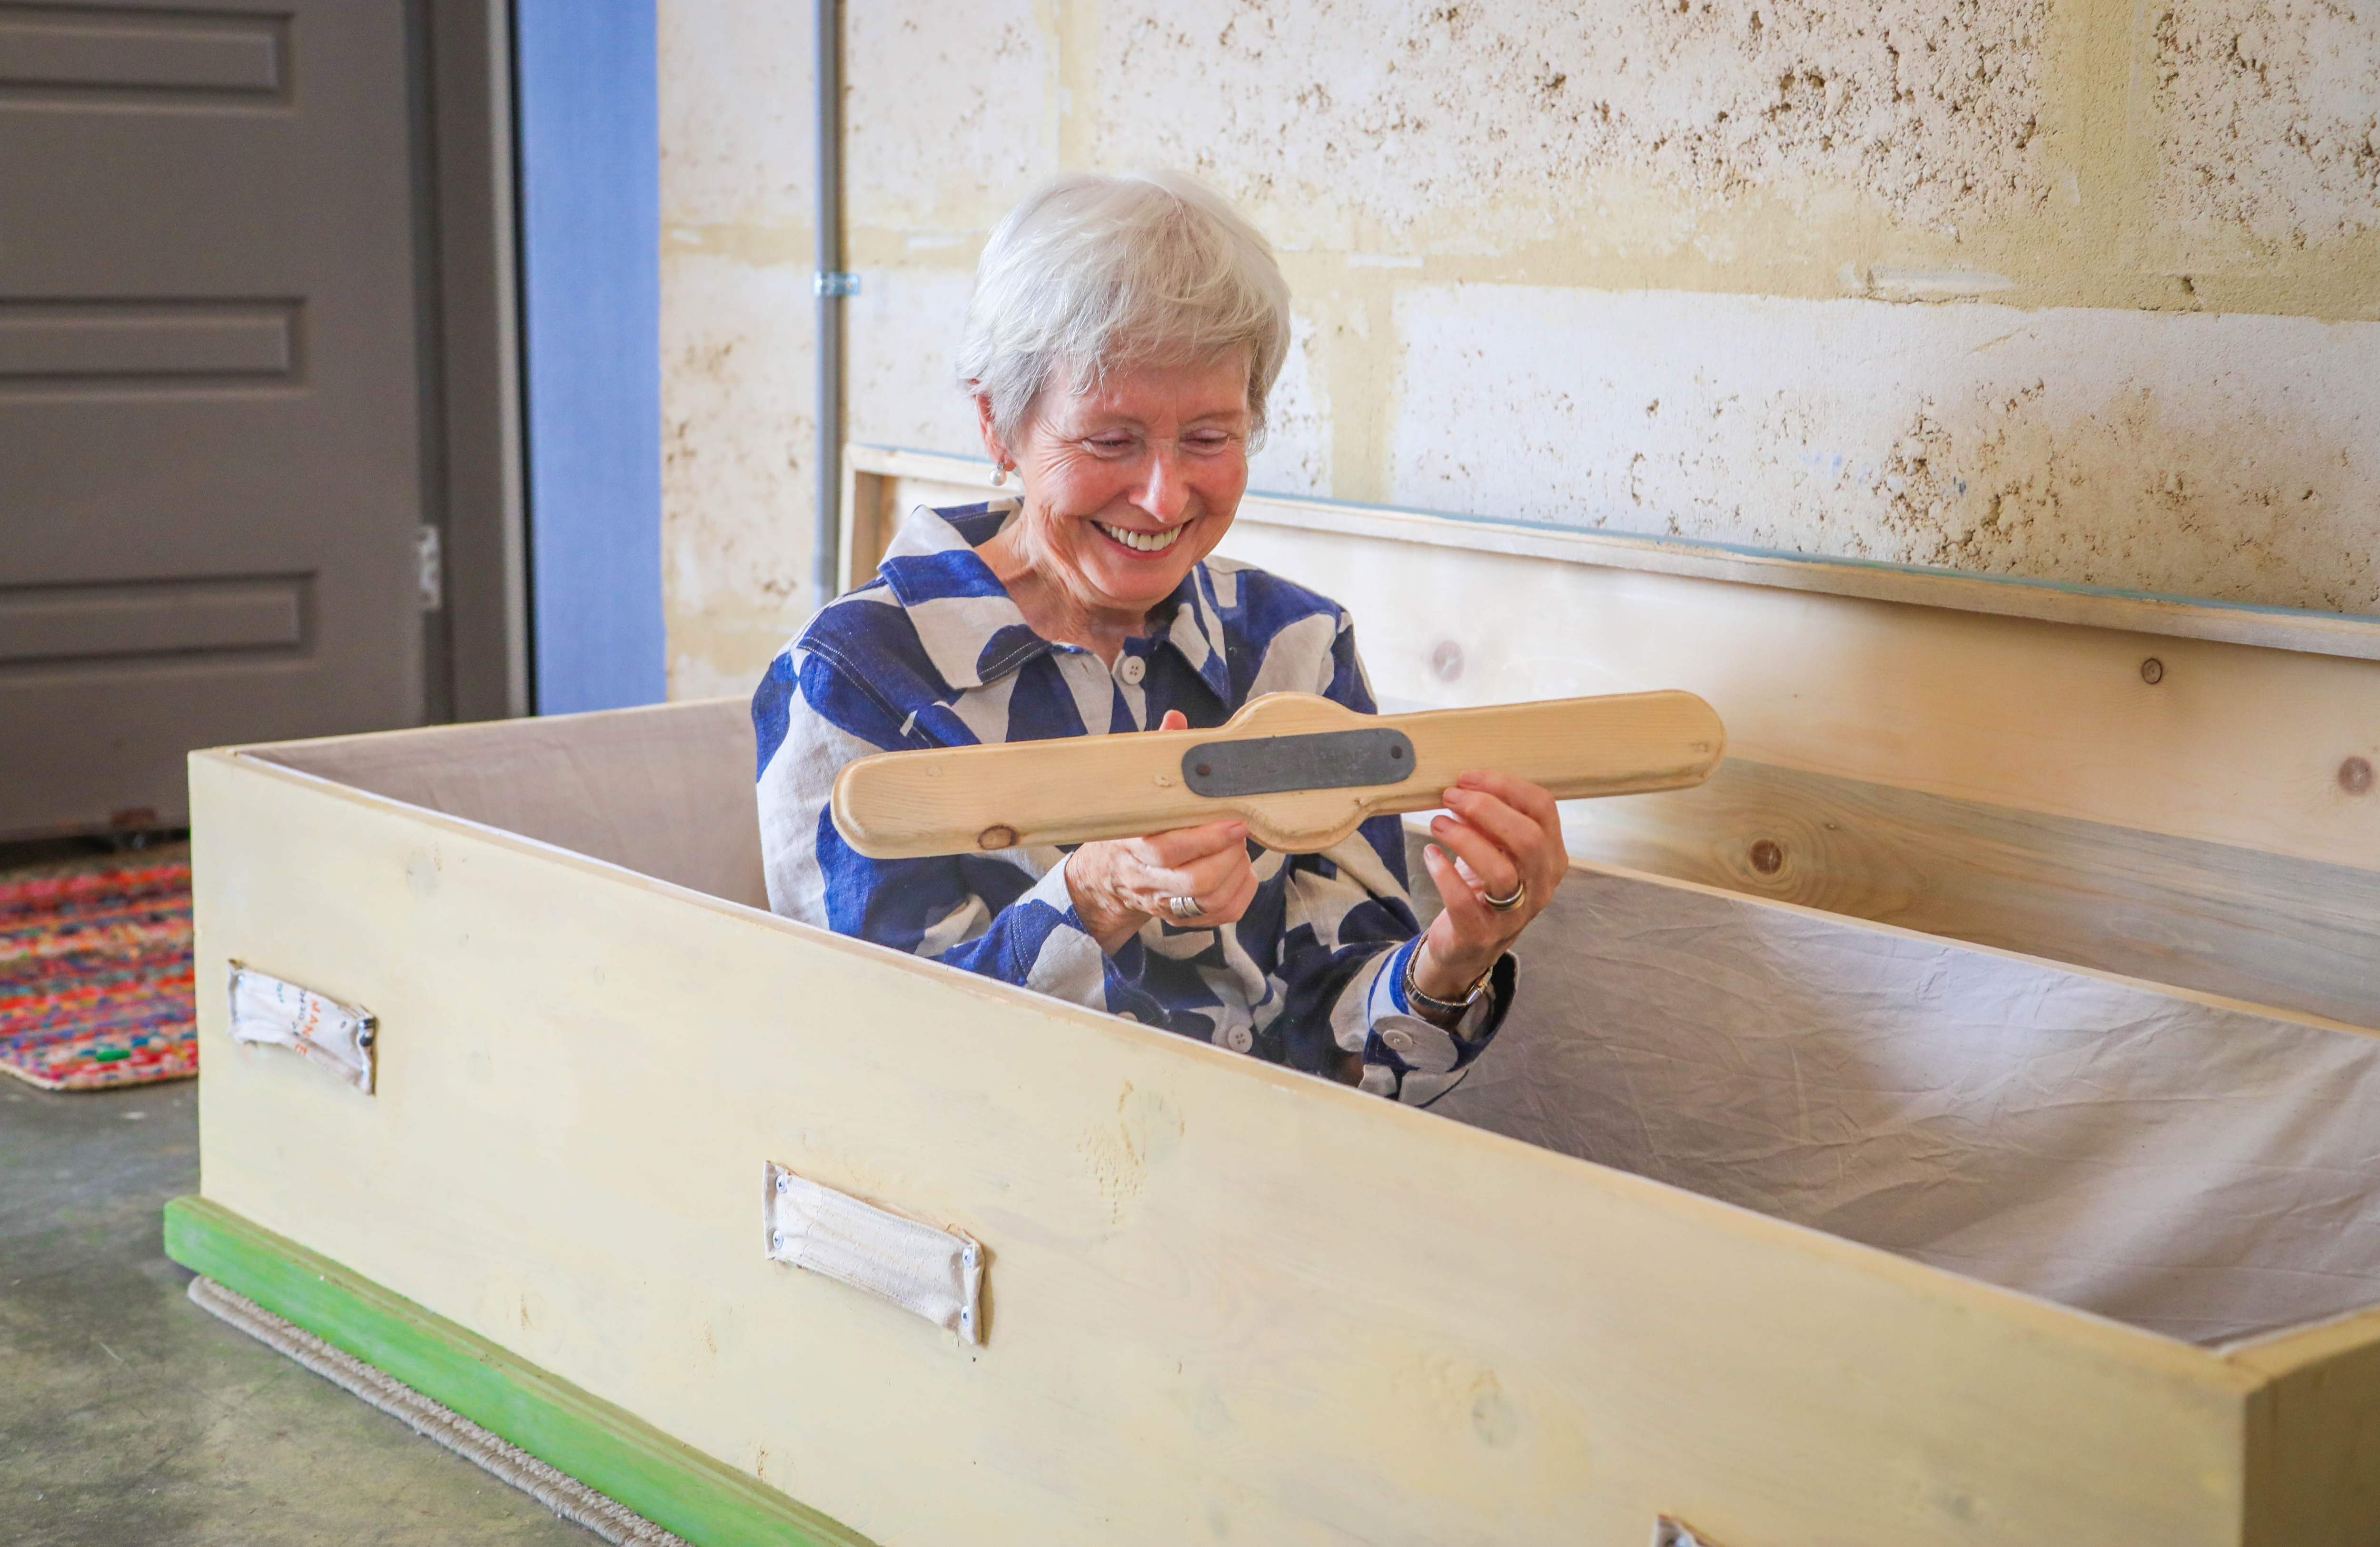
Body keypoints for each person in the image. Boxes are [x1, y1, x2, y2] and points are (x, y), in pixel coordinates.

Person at [753, 170, 1567, 1105]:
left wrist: (1455, 957)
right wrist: (1094, 895)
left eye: (1210, 438)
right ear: (997, 423)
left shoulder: (1297, 648)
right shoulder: (858, 676)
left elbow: (1345, 1067)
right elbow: (874, 1058)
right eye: (1111, 441)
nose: (1162, 497)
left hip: (1259, 1195)